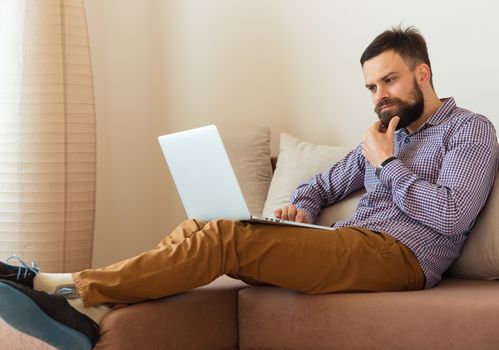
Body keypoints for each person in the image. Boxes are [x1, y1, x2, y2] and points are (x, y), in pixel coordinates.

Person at [0, 26, 498, 348]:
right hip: (348, 244)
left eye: (389, 82)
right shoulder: (382, 136)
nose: (379, 97)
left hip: (402, 259)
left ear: (422, 73)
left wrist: (388, 164)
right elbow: (323, 184)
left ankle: (68, 286)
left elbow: (451, 215)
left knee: (226, 239)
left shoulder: (469, 130)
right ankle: (90, 312)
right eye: (371, 88)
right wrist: (301, 206)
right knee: (205, 225)